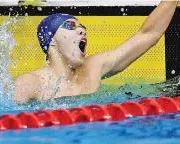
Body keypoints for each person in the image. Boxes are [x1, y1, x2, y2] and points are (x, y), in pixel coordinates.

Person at [13, 0, 179, 103]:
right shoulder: (30, 83)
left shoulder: (92, 68)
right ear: (51, 42)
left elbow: (148, 35)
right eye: (71, 26)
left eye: (82, 27)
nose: (82, 31)